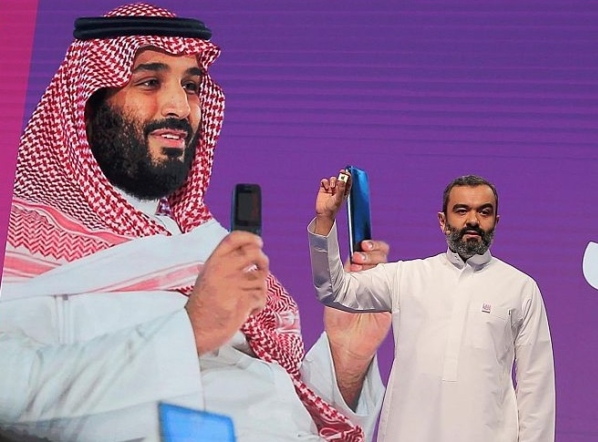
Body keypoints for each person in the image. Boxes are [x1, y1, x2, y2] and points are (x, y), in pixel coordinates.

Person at [0, 3, 392, 442]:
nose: (179, 106)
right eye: (149, 82)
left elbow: (277, 406)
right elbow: (10, 394)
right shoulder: (22, 244)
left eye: (191, 86)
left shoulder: (199, 244)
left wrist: (347, 358)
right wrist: (190, 331)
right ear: (86, 106)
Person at [308, 172, 556, 442]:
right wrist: (325, 219)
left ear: (495, 222)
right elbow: (334, 289)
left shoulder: (520, 288)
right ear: (442, 221)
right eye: (461, 210)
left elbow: (536, 385)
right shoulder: (407, 277)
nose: (473, 220)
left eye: (484, 212)